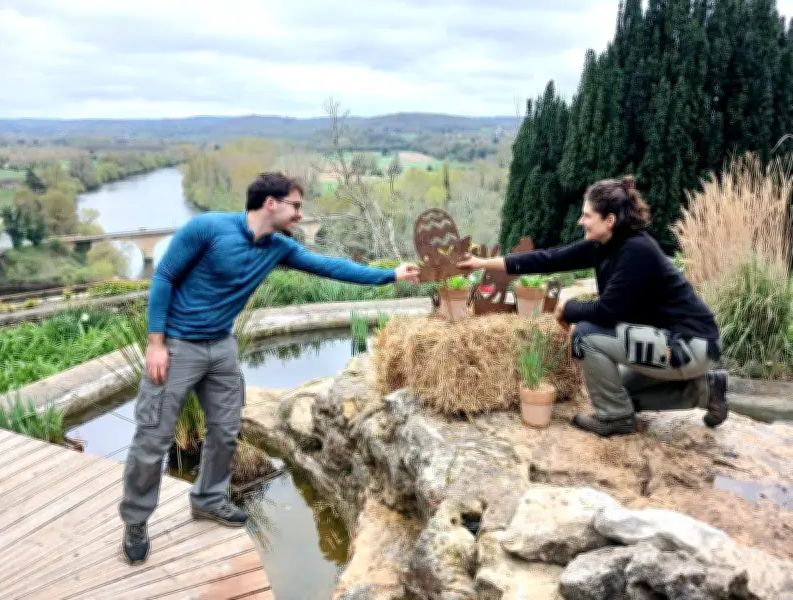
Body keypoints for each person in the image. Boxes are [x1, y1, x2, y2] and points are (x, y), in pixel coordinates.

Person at [120, 171, 420, 565]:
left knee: (226, 431)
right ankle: (136, 522)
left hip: (222, 347)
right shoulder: (207, 228)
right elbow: (164, 277)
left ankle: (209, 499)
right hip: (178, 348)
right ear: (271, 203)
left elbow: (330, 267)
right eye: (296, 206)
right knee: (153, 438)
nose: (299, 214)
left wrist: (390, 275)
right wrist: (156, 343)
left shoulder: (278, 247)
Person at [457, 175, 728, 438]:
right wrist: (482, 264)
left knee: (585, 336)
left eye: (587, 215)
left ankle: (615, 418)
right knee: (615, 389)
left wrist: (567, 307)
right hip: (674, 343)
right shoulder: (604, 244)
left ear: (609, 220)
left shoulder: (636, 251)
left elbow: (608, 312)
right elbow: (548, 259)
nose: (580, 221)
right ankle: (706, 390)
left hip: (689, 345)